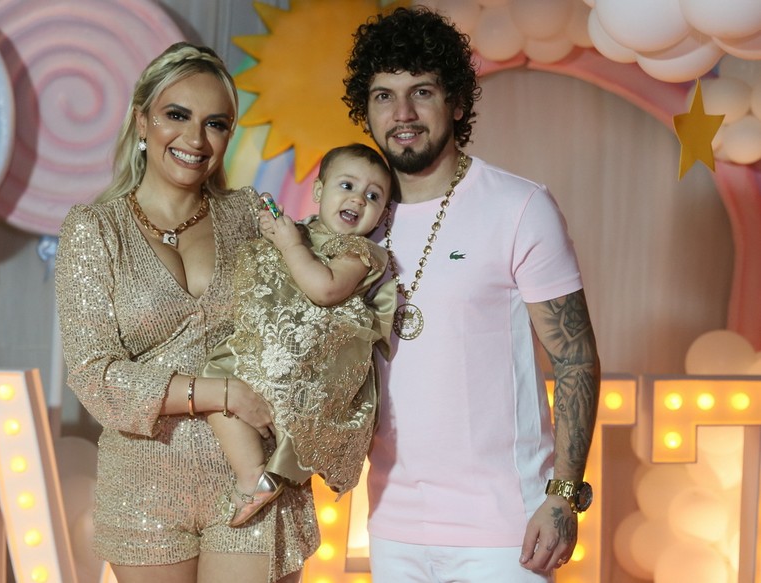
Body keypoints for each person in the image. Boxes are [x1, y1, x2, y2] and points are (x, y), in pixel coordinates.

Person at [342, 7, 601, 582]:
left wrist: (563, 495)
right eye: (384, 96)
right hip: (392, 524)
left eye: (422, 92)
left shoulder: (519, 207)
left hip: (505, 529)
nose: (402, 114)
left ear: (457, 102)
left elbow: (575, 357)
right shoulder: (354, 218)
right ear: (366, 109)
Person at [54, 42, 319, 583]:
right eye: (177, 115)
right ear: (142, 120)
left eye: (215, 124)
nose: (196, 140)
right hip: (144, 486)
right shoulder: (94, 229)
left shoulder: (252, 215)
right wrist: (221, 393)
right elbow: (93, 373)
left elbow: (308, 311)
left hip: (256, 478)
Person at [201, 143, 396, 527]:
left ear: (383, 215)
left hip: (314, 360)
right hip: (271, 342)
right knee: (216, 379)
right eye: (347, 185)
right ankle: (253, 471)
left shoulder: (358, 252)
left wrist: (289, 244)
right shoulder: (301, 230)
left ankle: (256, 476)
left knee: (242, 391)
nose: (359, 198)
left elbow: (324, 288)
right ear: (319, 191)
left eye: (373, 196)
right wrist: (277, 236)